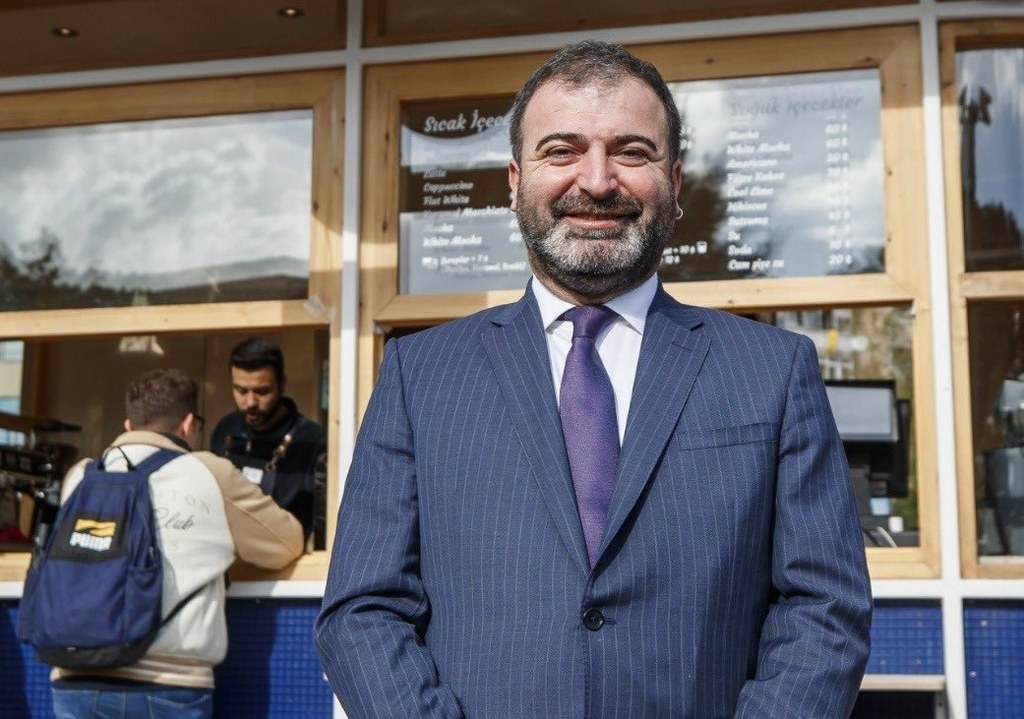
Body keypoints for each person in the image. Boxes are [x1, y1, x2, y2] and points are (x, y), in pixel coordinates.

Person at [315, 40, 872, 718]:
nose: (598, 181)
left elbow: (824, 607)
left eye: (632, 152)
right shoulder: (420, 375)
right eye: (562, 151)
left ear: (675, 182)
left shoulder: (772, 372)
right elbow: (363, 609)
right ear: (515, 181)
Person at [50, 368, 303, 718]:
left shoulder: (80, 476)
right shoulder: (208, 472)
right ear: (188, 424)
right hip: (167, 684)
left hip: (73, 678)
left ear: (128, 425)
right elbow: (287, 543)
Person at [210, 337, 327, 544]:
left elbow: (323, 525)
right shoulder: (225, 430)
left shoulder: (312, 442)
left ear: (282, 384)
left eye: (262, 391)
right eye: (241, 390)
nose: (250, 402)